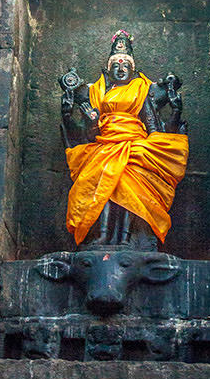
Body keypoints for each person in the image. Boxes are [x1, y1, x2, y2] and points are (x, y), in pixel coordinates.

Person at [60, 30, 188, 247]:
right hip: (106, 143)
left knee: (128, 176)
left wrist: (175, 115)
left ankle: (127, 236)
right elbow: (89, 134)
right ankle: (103, 234)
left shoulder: (141, 91)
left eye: (125, 65)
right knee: (106, 177)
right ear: (109, 70)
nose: (121, 69)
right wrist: (89, 119)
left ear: (133, 69)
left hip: (135, 143)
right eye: (116, 66)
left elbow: (153, 126)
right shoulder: (98, 93)